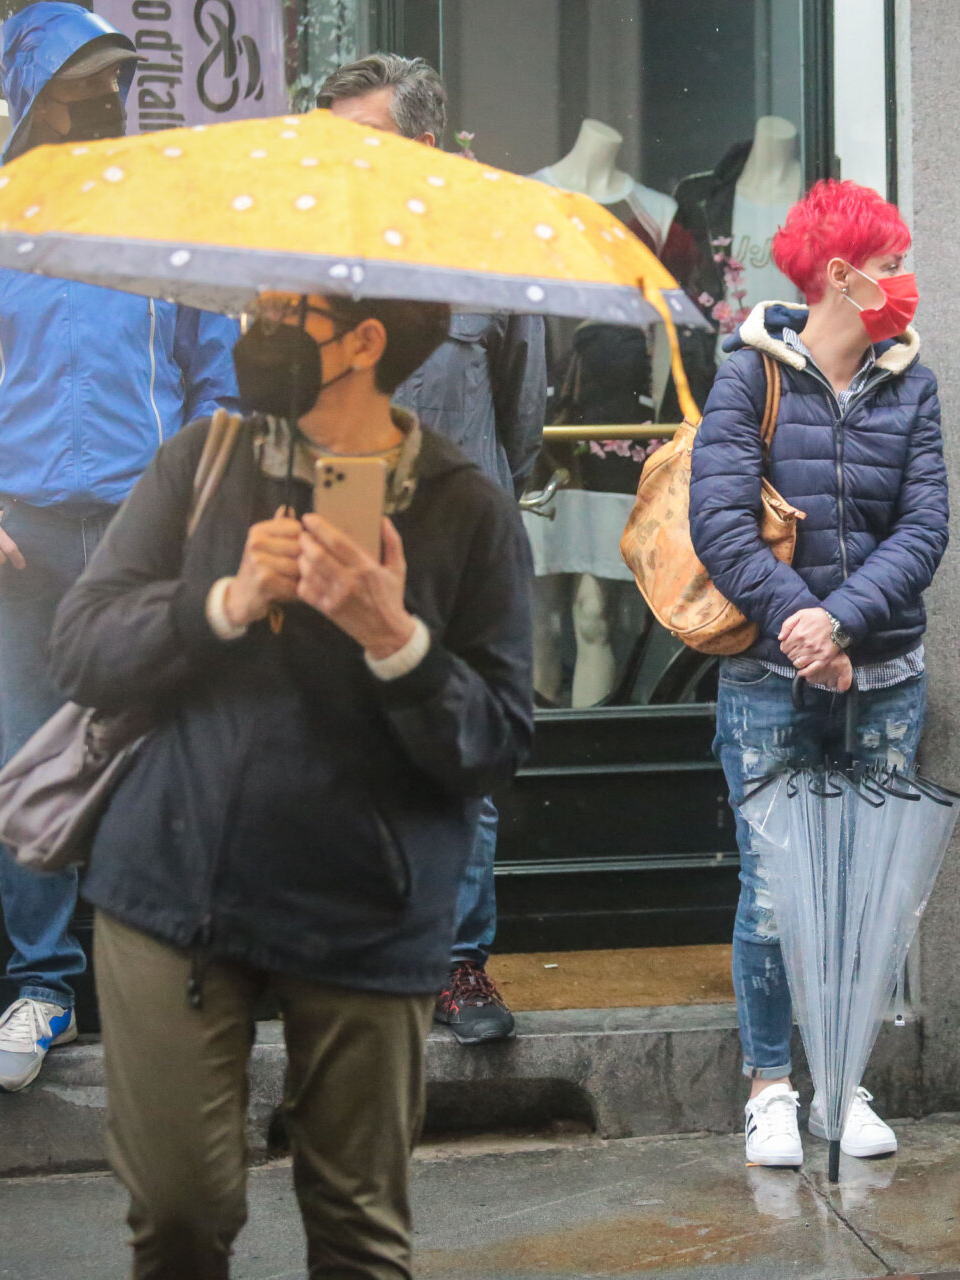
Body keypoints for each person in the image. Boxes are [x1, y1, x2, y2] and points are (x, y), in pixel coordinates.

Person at [48, 289, 535, 1276]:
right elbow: (80, 646)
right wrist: (222, 600)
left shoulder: (462, 503)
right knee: (180, 1210)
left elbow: (494, 743)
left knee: (359, 1232)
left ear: (365, 339)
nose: (255, 330)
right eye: (256, 307)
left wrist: (394, 640)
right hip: (176, 885)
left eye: (288, 314)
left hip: (366, 903)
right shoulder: (204, 460)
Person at [0, 1, 238, 1093]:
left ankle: (158, 977)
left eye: (111, 83)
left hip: (141, 532)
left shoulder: (157, 222)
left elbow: (214, 380)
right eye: (76, 85)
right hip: (18, 541)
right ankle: (43, 985)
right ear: (31, 94)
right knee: (35, 756)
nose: (98, 102)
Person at [689, 179, 948, 1169]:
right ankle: (770, 1086)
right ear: (841, 275)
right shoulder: (747, 374)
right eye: (890, 267)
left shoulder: (911, 381)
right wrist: (796, 620)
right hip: (768, 677)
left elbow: (924, 525)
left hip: (884, 674)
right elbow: (717, 518)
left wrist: (837, 617)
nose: (904, 284)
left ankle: (842, 1078)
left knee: (865, 890)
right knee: (773, 889)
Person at [319, 51, 548, 1047]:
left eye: (358, 137)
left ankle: (459, 964)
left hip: (457, 530)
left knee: (461, 749)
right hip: (341, 511)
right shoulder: (310, 252)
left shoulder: (489, 245)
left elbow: (525, 415)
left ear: (417, 143)